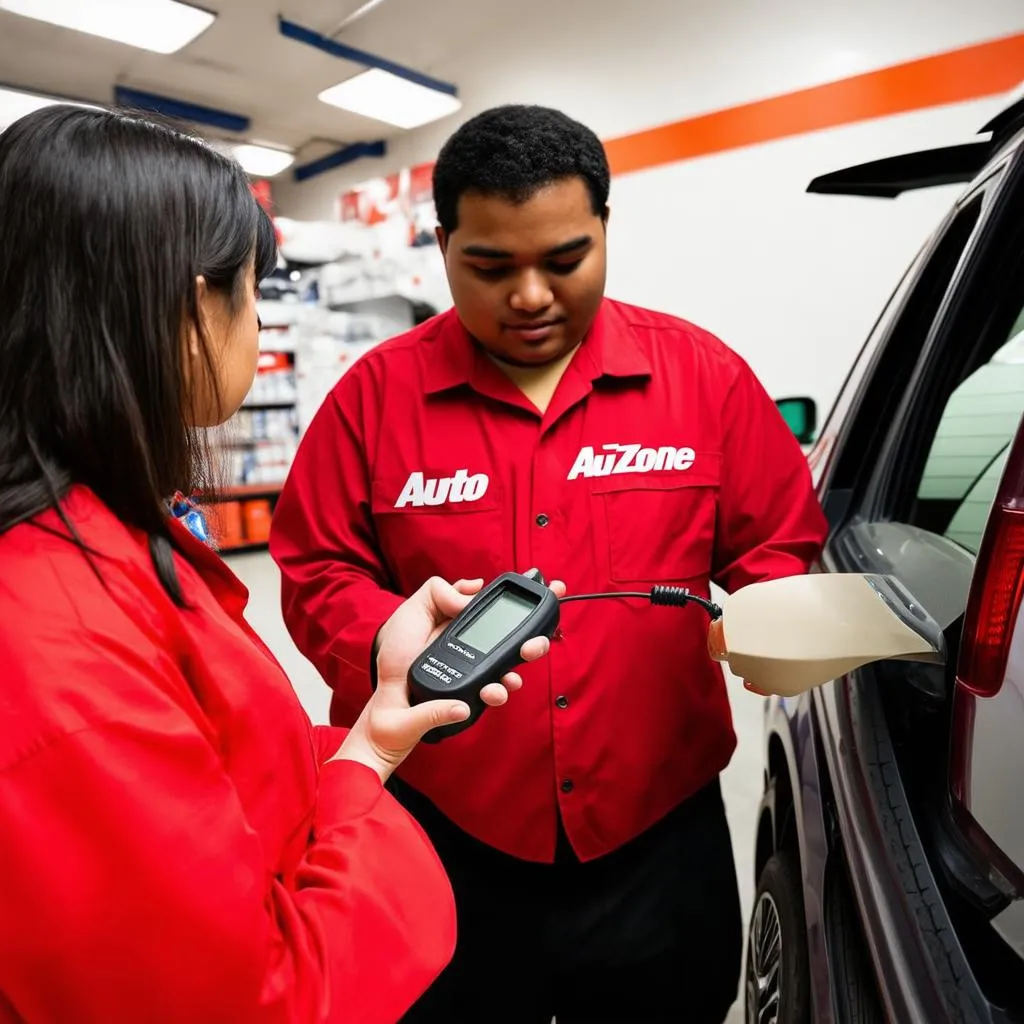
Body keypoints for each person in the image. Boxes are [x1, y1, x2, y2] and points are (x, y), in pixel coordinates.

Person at [0, 104, 561, 1024]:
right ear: (191, 310)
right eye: (252, 291)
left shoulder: (98, 547)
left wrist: (372, 740)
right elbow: (264, 1000)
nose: (259, 323)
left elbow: (221, 795)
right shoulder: (59, 654)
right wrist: (403, 853)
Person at [270, 104, 829, 1023]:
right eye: (489, 266)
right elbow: (315, 566)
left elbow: (779, 542)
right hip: (444, 830)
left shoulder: (703, 380)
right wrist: (383, 638)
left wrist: (774, 618)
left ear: (605, 229)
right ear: (443, 242)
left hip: (658, 836)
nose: (529, 296)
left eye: (564, 260)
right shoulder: (373, 400)